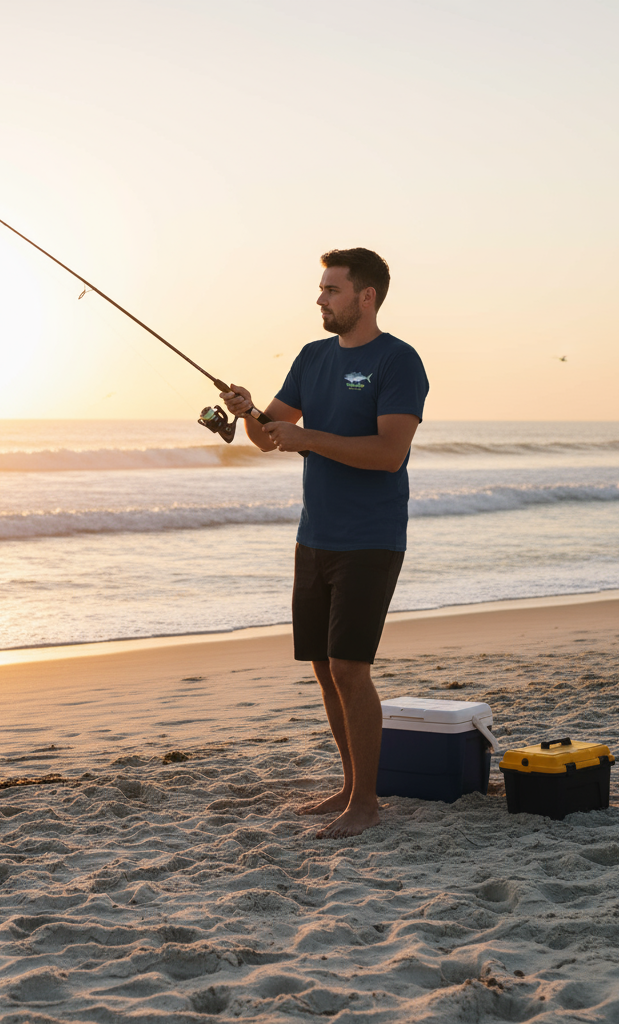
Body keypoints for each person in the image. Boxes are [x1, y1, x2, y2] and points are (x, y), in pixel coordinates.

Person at [220, 248, 428, 838]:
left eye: (332, 290)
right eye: (320, 289)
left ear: (366, 297)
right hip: (315, 536)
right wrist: (249, 412)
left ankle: (367, 803)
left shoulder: (398, 361)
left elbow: (389, 455)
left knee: (350, 668)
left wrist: (307, 436)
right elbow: (267, 439)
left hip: (371, 538)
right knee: (324, 668)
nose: (320, 299)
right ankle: (349, 785)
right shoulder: (312, 358)